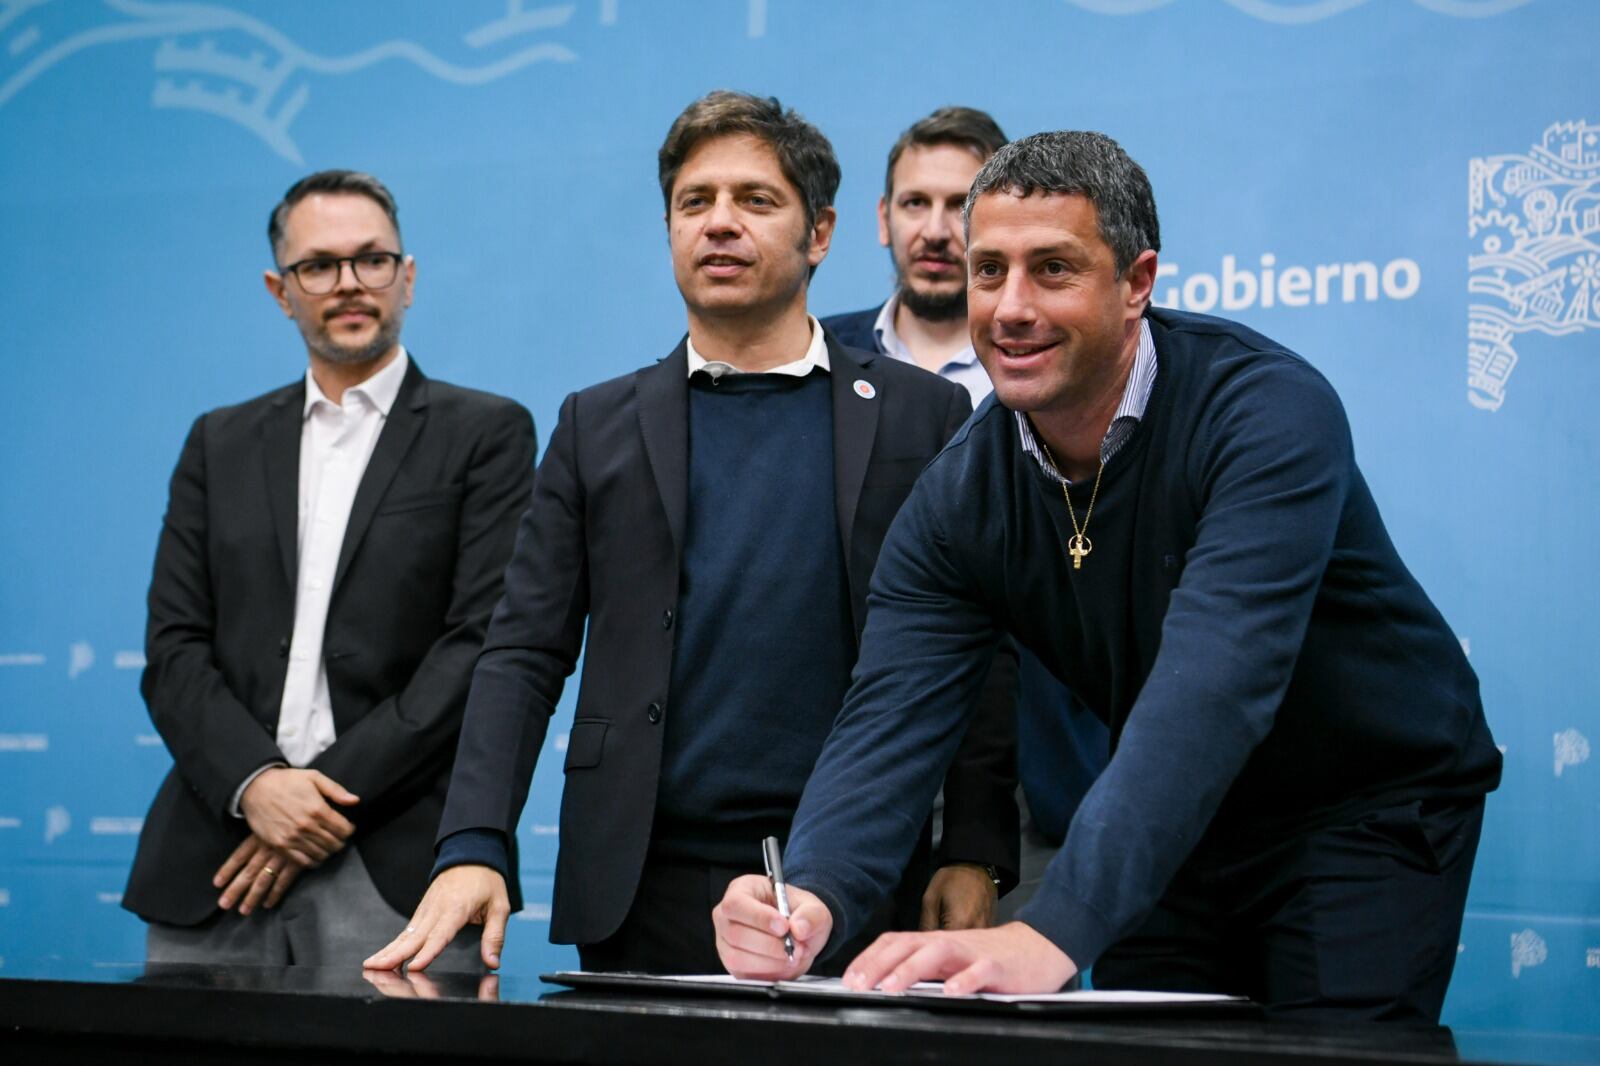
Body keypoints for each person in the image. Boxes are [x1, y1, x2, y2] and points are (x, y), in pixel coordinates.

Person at [713, 131, 1502, 1023]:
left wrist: (1053, 929)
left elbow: (1217, 681)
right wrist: (812, 895)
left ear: (1137, 284)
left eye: (1053, 269)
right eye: (988, 271)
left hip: (1359, 808)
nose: (1010, 308)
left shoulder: (1267, 413)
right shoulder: (959, 498)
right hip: (1170, 821)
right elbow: (889, 720)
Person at [364, 91, 1017, 977]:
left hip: (856, 874)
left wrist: (971, 846)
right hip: (642, 884)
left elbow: (972, 649)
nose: (719, 224)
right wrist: (474, 840)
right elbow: (521, 651)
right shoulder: (598, 424)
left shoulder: (922, 414)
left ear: (820, 233)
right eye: (695, 202)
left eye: (755, 200)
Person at [125, 170, 536, 970]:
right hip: (215, 858)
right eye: (319, 265)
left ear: (407, 278)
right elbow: (173, 652)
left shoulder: (486, 433)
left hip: (400, 865)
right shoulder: (220, 442)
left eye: (372, 259)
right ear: (281, 290)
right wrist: (256, 785)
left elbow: (478, 646)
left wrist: (314, 801)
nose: (349, 283)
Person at [823, 106, 1109, 923]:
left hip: (1038, 776)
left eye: (961, 206)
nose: (937, 230)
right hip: (861, 760)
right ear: (881, 219)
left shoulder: (1058, 372)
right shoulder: (817, 361)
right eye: (916, 204)